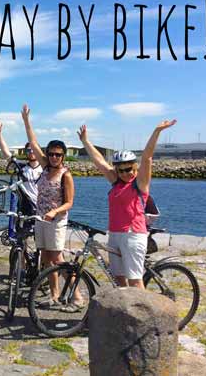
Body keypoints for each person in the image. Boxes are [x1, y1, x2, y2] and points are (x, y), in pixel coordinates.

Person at [77, 119, 177, 289]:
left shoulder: (140, 184)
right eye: (121, 170)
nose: (125, 173)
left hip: (133, 234)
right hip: (115, 234)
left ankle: (142, 314)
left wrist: (157, 131)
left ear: (134, 168)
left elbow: (147, 157)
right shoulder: (116, 183)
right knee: (119, 280)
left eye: (128, 169)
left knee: (135, 281)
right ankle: (123, 314)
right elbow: (99, 162)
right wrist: (85, 141)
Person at [22, 104, 81, 311]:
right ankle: (55, 295)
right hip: (41, 218)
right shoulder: (45, 167)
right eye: (52, 154)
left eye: (58, 154)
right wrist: (26, 120)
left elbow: (70, 202)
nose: (55, 157)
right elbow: (33, 141)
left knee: (57, 257)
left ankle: (77, 296)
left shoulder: (66, 174)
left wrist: (54, 212)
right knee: (47, 258)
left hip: (56, 220)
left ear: (63, 156)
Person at [0, 119, 42, 217]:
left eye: (33, 150)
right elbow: (7, 154)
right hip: (25, 207)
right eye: (28, 150)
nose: (31, 152)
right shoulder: (22, 166)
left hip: (42, 207)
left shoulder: (45, 168)